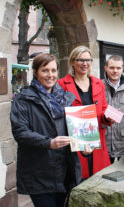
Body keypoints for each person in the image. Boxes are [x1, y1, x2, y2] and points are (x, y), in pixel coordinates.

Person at [10, 53, 82, 207]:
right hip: (39, 172)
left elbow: (74, 131)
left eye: (54, 70)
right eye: (45, 70)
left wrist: (84, 145)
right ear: (35, 72)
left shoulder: (65, 98)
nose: (50, 75)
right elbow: (20, 132)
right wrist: (48, 142)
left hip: (64, 170)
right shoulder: (23, 99)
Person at [58, 46, 111, 179]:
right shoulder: (62, 84)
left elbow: (104, 108)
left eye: (88, 60)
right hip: (75, 142)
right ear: (72, 62)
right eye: (80, 60)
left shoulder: (99, 83)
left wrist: (108, 117)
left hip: (97, 141)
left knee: (99, 180)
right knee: (78, 180)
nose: (85, 63)